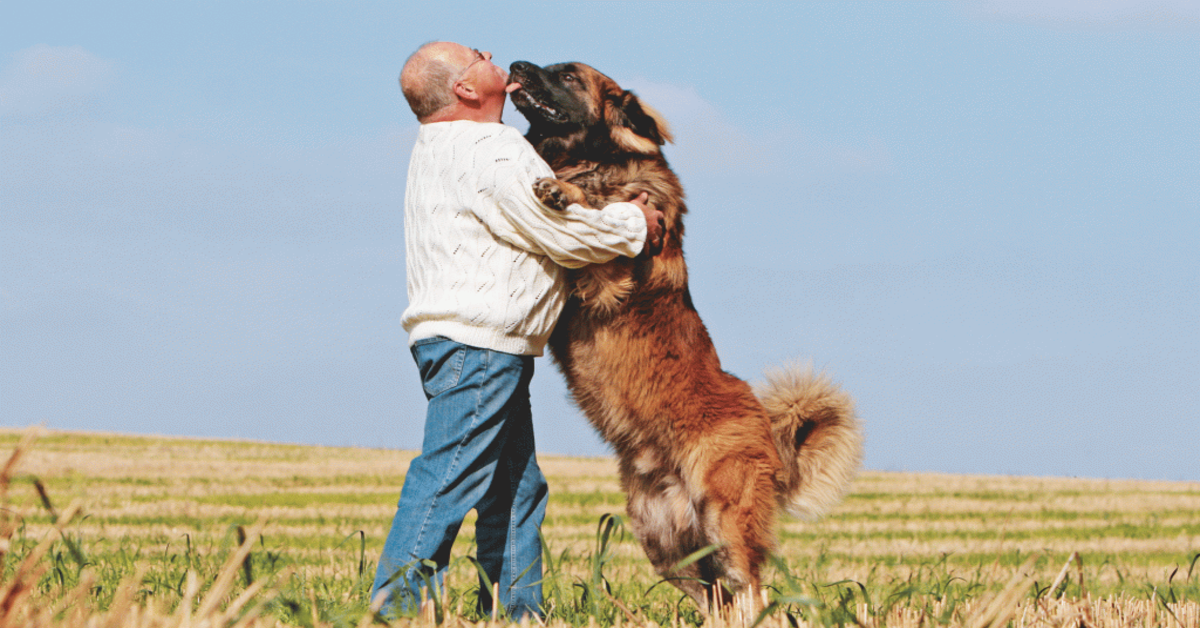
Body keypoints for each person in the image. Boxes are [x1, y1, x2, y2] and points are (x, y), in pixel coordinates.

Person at [372, 41, 665, 620]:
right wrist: (637, 222)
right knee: (447, 479)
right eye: (477, 55)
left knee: (515, 490)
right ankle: (393, 611)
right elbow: (560, 232)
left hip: (466, 343)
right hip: (480, 348)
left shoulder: (439, 147)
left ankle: (516, 612)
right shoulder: (493, 147)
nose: (491, 56)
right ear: (463, 89)